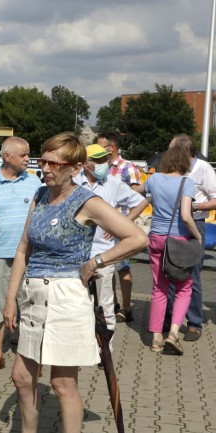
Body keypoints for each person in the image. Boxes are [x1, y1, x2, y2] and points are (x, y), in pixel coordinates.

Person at [2, 133, 148, 433]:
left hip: (67, 296)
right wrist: (10, 298)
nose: (45, 168)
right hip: (33, 295)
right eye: (42, 160)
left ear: (76, 167)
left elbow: (137, 238)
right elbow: (22, 250)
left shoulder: (87, 201)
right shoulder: (42, 195)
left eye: (54, 163)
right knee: (21, 377)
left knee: (62, 384)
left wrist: (97, 262)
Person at [74, 144, 148, 351]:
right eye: (97, 160)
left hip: (103, 252)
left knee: (105, 302)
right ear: (85, 163)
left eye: (104, 159)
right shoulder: (73, 182)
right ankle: (82, 345)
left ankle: (105, 348)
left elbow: (140, 202)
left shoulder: (113, 183)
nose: (102, 164)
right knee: (79, 302)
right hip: (75, 251)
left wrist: (122, 224)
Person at [0, 137, 40, 375]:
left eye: (28, 154)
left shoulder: (35, 182)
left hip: (28, 254)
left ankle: (26, 347)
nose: (28, 158)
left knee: (28, 301)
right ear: (7, 157)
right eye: (23, 155)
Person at [136, 145, 201, 354]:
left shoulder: (154, 180)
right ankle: (173, 333)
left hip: (156, 237)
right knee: (183, 287)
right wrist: (198, 236)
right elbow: (185, 215)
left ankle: (155, 338)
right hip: (179, 240)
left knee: (159, 288)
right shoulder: (187, 183)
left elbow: (137, 191)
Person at [165, 134, 216, 342]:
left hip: (195, 225)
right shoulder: (170, 168)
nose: (168, 153)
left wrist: (192, 206)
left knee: (192, 274)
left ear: (184, 150)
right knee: (169, 272)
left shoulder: (203, 168)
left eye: (171, 149)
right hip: (173, 225)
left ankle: (194, 322)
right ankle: (169, 319)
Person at [98, 131, 141, 323]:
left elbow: (136, 200)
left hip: (120, 229)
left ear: (111, 148)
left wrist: (124, 224)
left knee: (123, 268)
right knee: (106, 266)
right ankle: (112, 303)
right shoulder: (101, 167)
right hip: (103, 229)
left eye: (101, 147)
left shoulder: (127, 167)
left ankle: (126, 307)